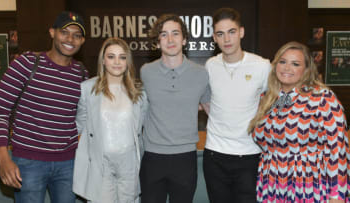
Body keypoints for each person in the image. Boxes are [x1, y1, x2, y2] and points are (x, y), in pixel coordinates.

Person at [0, 11, 87, 203]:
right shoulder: (25, 64)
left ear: (82, 41)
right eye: (65, 32)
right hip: (28, 162)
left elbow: (80, 119)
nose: (70, 39)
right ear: (52, 32)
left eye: (77, 35)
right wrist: (3, 158)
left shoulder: (81, 73)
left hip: (68, 164)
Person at [248, 41, 350, 203]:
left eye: (295, 64)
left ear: (306, 70)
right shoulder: (267, 99)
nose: (287, 68)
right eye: (282, 62)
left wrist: (337, 196)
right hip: (271, 186)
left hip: (309, 186)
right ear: (275, 66)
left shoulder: (322, 98)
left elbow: (337, 151)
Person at [201, 7, 272, 203]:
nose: (227, 39)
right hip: (215, 154)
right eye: (220, 34)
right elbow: (205, 99)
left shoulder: (262, 65)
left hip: (250, 154)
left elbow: (279, 98)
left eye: (231, 32)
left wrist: (263, 112)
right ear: (214, 37)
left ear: (241, 32)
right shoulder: (210, 66)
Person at [139, 14, 209, 203]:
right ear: (157, 42)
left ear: (184, 39)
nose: (170, 40)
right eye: (164, 35)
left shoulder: (201, 74)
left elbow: (212, 111)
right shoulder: (146, 71)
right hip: (152, 156)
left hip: (185, 158)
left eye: (175, 33)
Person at [72, 37, 147, 203]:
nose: (117, 62)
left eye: (122, 57)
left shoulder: (139, 91)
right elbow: (79, 125)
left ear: (128, 61)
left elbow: (143, 126)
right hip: (101, 162)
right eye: (111, 56)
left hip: (129, 162)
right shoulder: (87, 89)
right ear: (103, 60)